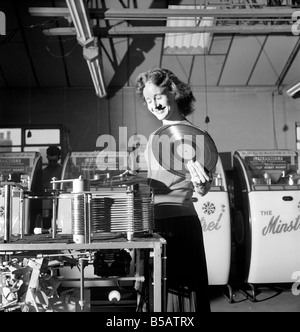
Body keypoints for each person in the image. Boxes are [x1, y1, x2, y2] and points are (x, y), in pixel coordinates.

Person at [134, 67, 215, 312]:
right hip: (153, 225)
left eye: (157, 96)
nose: (153, 104)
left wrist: (201, 184)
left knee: (181, 303)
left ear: (173, 91)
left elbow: (202, 189)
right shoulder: (153, 138)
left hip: (181, 224)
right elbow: (154, 183)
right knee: (156, 300)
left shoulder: (197, 137)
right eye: (148, 100)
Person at [41, 145, 62, 228]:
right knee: (46, 223)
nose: (53, 164)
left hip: (60, 201)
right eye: (51, 161)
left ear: (59, 158)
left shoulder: (63, 171)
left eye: (54, 161)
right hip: (46, 203)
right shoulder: (43, 173)